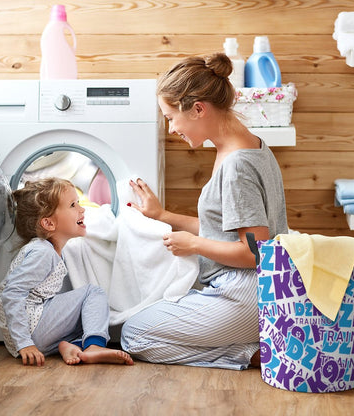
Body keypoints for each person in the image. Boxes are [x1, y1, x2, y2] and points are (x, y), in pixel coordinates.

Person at [120, 53, 288, 370]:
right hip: (260, 292)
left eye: (171, 117)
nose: (170, 129)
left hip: (245, 295)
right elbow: (224, 228)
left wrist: (193, 245)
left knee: (133, 335)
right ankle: (250, 347)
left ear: (198, 109)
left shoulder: (236, 165)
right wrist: (161, 215)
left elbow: (256, 253)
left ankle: (252, 354)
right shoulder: (249, 146)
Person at [0, 178, 134, 367]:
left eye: (78, 202)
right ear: (49, 223)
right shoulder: (42, 252)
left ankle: (67, 346)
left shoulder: (48, 250)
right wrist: (24, 343)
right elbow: (11, 293)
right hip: (30, 332)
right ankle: (94, 346)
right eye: (72, 205)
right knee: (92, 293)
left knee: (89, 315)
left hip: (33, 331)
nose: (82, 209)